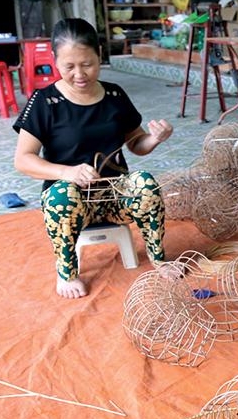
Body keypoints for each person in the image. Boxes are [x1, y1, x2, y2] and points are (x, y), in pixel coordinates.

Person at [13, 18, 172, 299]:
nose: (79, 74)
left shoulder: (114, 95)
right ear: (55, 61)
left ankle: (159, 258)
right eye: (69, 67)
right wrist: (67, 172)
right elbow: (23, 160)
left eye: (87, 64)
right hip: (73, 203)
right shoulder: (45, 102)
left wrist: (155, 138)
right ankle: (67, 272)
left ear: (99, 53)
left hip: (114, 196)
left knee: (145, 184)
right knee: (62, 197)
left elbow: (136, 144)